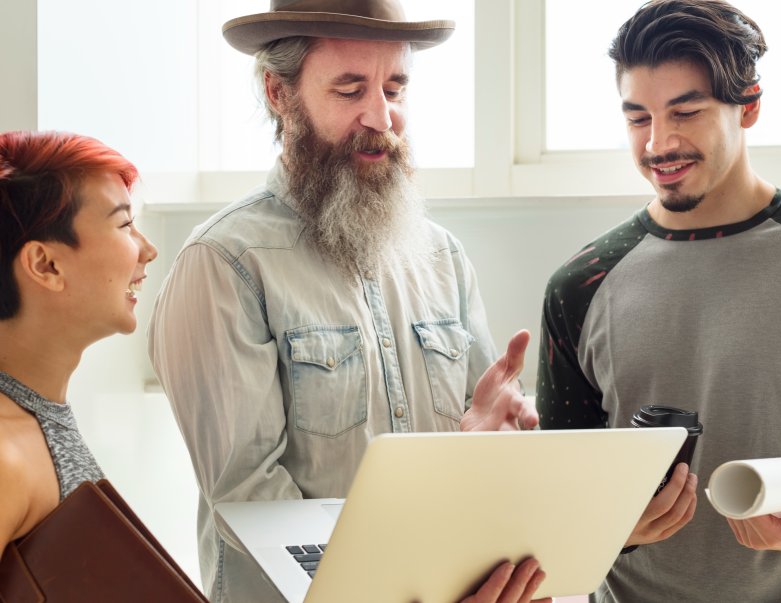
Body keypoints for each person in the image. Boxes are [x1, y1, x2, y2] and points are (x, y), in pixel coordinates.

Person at [148, 1, 545, 602]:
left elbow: (471, 468)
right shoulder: (225, 263)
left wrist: (484, 447)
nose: (381, 116)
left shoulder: (442, 258)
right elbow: (253, 501)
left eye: (395, 87)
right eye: (350, 89)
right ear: (278, 94)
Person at [536, 0, 781, 601]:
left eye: (685, 112)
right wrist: (609, 531)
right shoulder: (579, 285)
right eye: (638, 118)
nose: (658, 143)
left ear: (749, 105)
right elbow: (560, 508)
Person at [0, 130, 158, 555]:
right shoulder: (5, 460)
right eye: (125, 224)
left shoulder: (35, 415)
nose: (148, 250)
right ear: (45, 264)